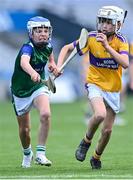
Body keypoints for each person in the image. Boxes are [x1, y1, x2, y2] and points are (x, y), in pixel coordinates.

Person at [56, 6, 129, 169]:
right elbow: (66, 48)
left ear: (118, 25)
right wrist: (59, 66)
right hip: (94, 83)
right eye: (102, 21)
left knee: (107, 131)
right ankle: (86, 141)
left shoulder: (122, 41)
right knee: (100, 114)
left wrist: (107, 47)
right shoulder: (91, 37)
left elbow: (125, 63)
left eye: (109, 22)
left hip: (113, 89)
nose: (104, 25)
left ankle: (96, 157)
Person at [11, 16, 59, 168]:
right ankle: (27, 153)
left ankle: (40, 154)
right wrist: (32, 72)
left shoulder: (48, 46)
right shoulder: (27, 48)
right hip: (20, 90)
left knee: (45, 114)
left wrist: (53, 65)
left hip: (38, 87)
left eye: (45, 30)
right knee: (25, 130)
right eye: (39, 31)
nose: (43, 34)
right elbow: (24, 62)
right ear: (31, 33)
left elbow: (50, 60)